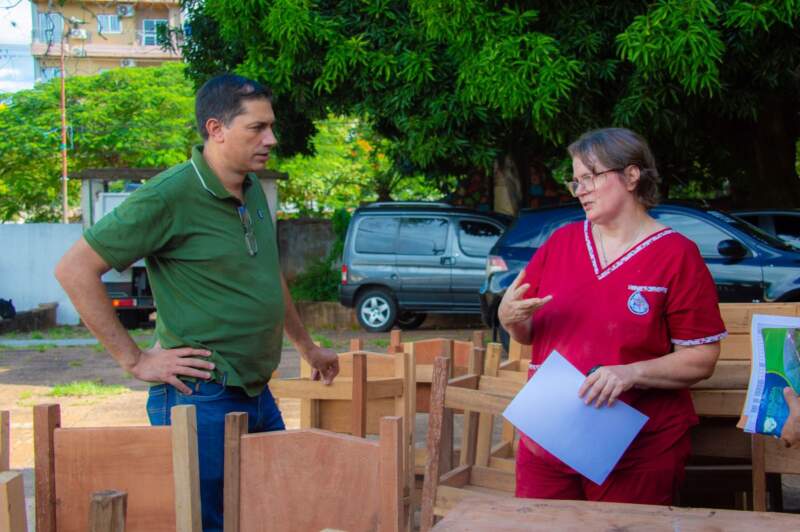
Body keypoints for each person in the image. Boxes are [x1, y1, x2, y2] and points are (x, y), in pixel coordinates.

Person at [54, 74, 339, 531]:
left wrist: (306, 347)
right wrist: (135, 360)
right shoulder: (169, 196)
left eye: (271, 126)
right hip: (200, 397)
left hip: (256, 391)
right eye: (257, 128)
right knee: (206, 523)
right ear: (216, 128)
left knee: (274, 513)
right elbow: (73, 269)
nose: (272, 138)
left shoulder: (252, 192)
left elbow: (268, 277)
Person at [498, 127, 726, 505]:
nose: (580, 189)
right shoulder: (561, 242)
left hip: (638, 446)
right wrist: (511, 318)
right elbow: (529, 332)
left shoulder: (676, 254)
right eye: (576, 181)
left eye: (590, 177)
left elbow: (701, 358)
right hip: (550, 433)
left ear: (632, 176)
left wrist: (631, 373)